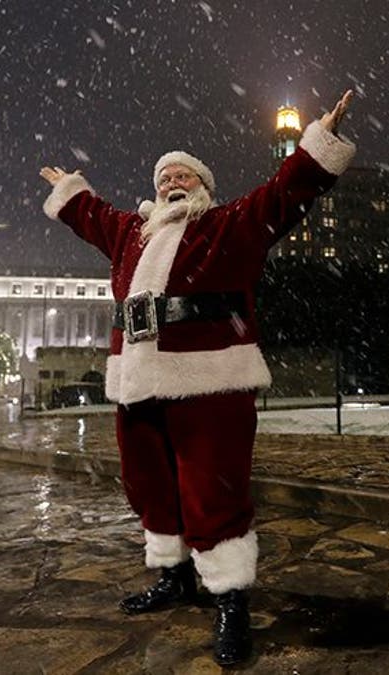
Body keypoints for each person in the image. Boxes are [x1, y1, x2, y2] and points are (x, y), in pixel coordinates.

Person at [38, 90, 356, 666]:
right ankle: (172, 575)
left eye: (183, 175)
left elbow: (282, 196)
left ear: (202, 186)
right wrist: (71, 190)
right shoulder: (131, 234)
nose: (171, 183)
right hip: (138, 382)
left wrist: (319, 143)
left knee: (213, 488)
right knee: (147, 483)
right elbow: (92, 217)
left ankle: (231, 599)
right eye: (164, 177)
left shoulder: (229, 225)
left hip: (209, 381)